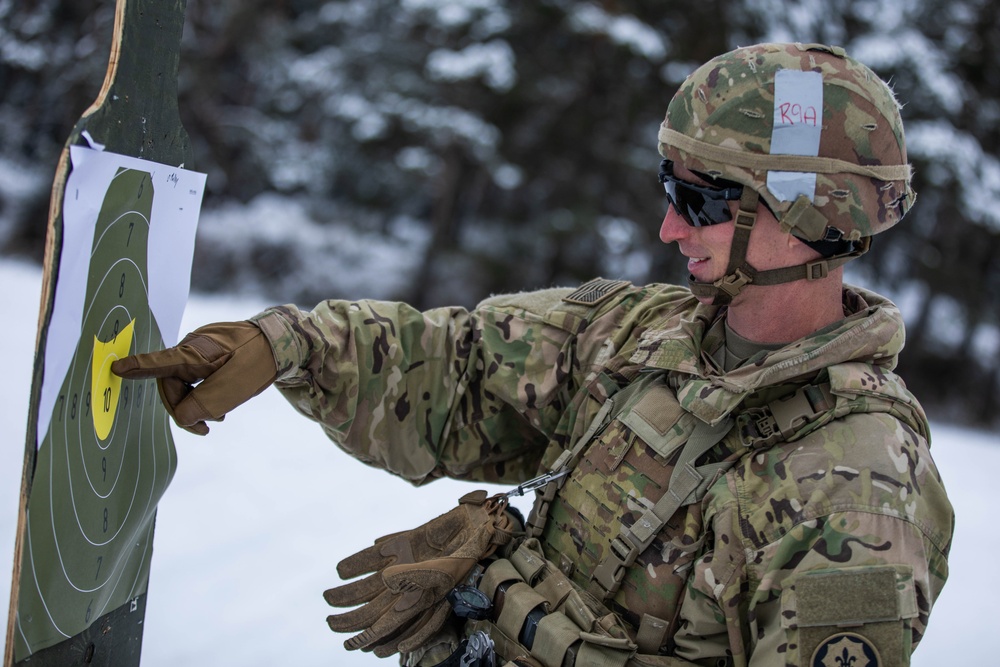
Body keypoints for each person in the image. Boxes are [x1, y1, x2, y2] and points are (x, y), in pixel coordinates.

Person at [114, 42, 954, 666]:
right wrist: (284, 344)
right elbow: (461, 365)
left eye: (701, 199)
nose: (668, 227)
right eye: (670, 189)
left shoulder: (859, 491)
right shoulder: (638, 334)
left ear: (814, 215)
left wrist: (527, 622)